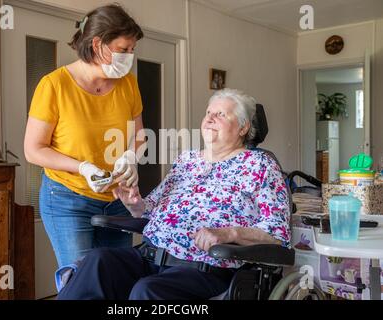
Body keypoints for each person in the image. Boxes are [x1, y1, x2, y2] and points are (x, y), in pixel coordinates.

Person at [56, 89, 291, 300]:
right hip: (150, 256)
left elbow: (277, 233)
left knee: (147, 290)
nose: (209, 118)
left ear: (243, 127)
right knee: (98, 262)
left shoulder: (260, 165)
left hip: (203, 268)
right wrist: (135, 204)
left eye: (221, 114)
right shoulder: (187, 160)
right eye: (208, 112)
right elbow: (150, 209)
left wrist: (228, 233)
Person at [24, 4, 145, 268]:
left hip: (116, 200)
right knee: (80, 280)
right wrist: (83, 168)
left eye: (132, 50)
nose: (129, 57)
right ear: (98, 44)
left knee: (115, 277)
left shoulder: (129, 84)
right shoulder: (54, 85)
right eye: (123, 50)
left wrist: (131, 156)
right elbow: (34, 150)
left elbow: (139, 136)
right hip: (68, 198)